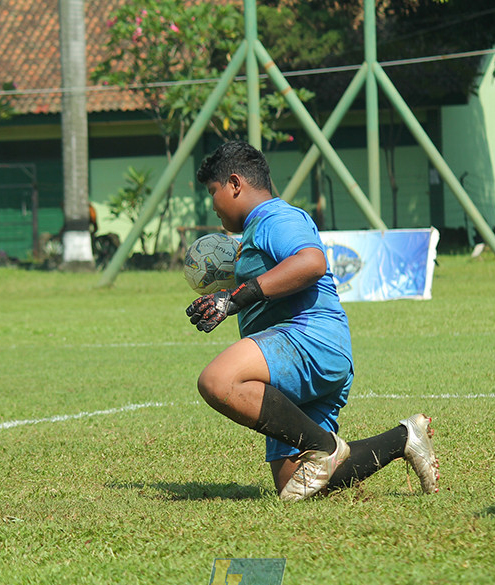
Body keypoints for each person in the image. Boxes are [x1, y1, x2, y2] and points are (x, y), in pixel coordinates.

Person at [186, 140, 440, 501]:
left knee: (216, 380)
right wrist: (223, 303)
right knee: (296, 486)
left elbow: (311, 262)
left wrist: (236, 299)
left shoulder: (275, 218)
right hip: (299, 360)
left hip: (310, 341)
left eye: (213, 192)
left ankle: (325, 446)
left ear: (235, 183)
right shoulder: (257, 232)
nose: (212, 205)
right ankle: (404, 438)